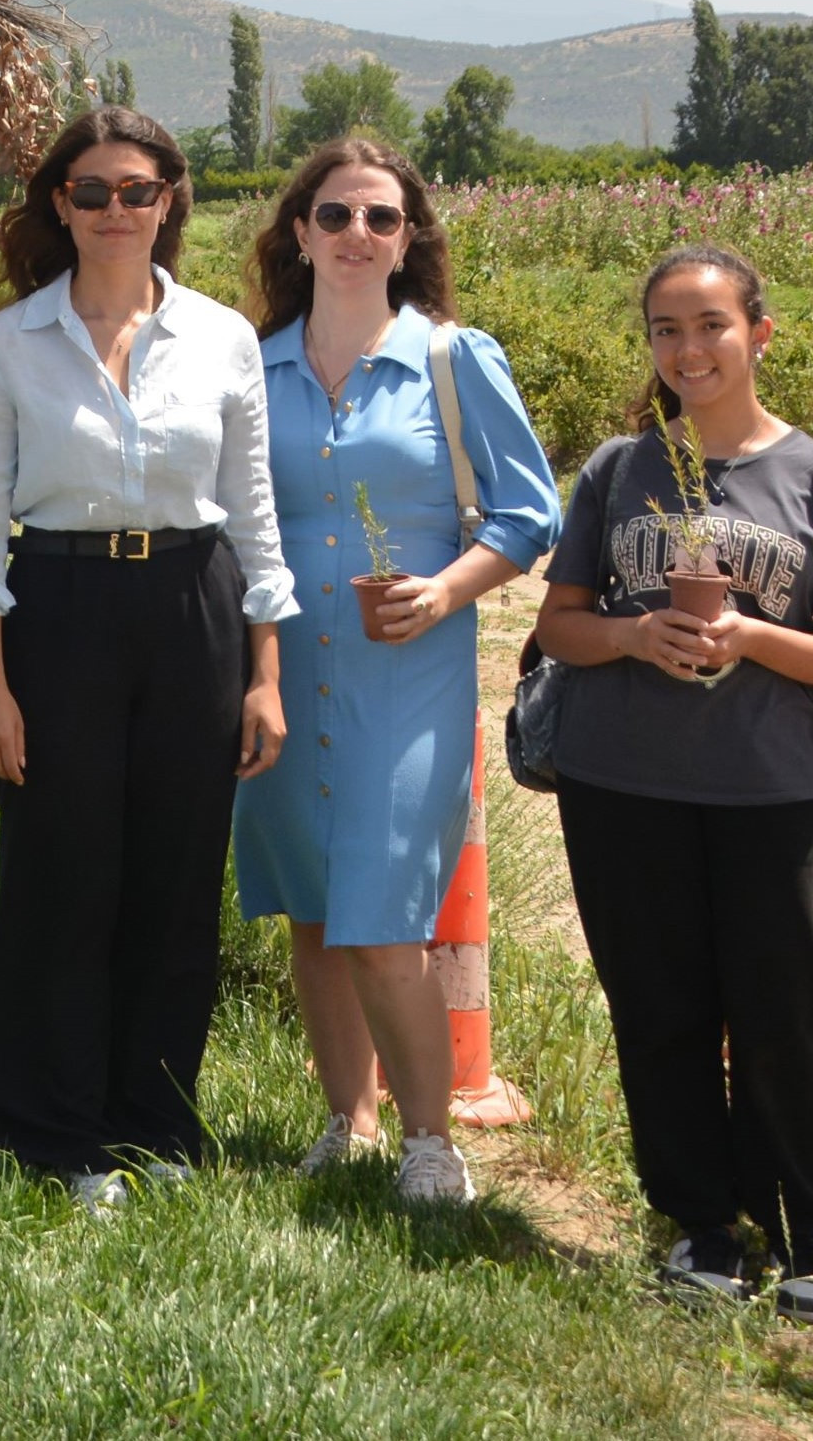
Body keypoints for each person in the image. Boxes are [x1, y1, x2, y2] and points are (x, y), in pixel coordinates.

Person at [0, 105, 293, 1212]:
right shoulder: (8, 342)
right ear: (60, 204)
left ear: (169, 201)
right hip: (58, 608)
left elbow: (253, 516)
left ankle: (154, 1120)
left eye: (136, 190)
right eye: (90, 192)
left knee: (177, 878)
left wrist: (265, 671)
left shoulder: (224, 338)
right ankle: (52, 1130)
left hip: (194, 606)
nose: (113, 211)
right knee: (60, 874)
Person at [531, 245, 813, 1319]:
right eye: (665, 330)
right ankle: (699, 1226)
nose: (687, 350)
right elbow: (558, 624)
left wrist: (756, 641)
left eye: (710, 326)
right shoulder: (616, 470)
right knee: (660, 1007)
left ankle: (799, 1231)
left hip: (771, 788)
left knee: (779, 1010)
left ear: (759, 334)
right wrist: (638, 635)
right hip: (621, 781)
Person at [234, 138, 559, 1205]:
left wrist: (447, 589)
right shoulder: (252, 363)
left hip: (404, 678)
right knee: (316, 913)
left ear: (409, 237)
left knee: (383, 915)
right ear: (298, 233)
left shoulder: (454, 359)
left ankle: (432, 1143)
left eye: (380, 218)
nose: (356, 236)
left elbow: (527, 511)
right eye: (334, 216)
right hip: (280, 672)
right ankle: (348, 1121)